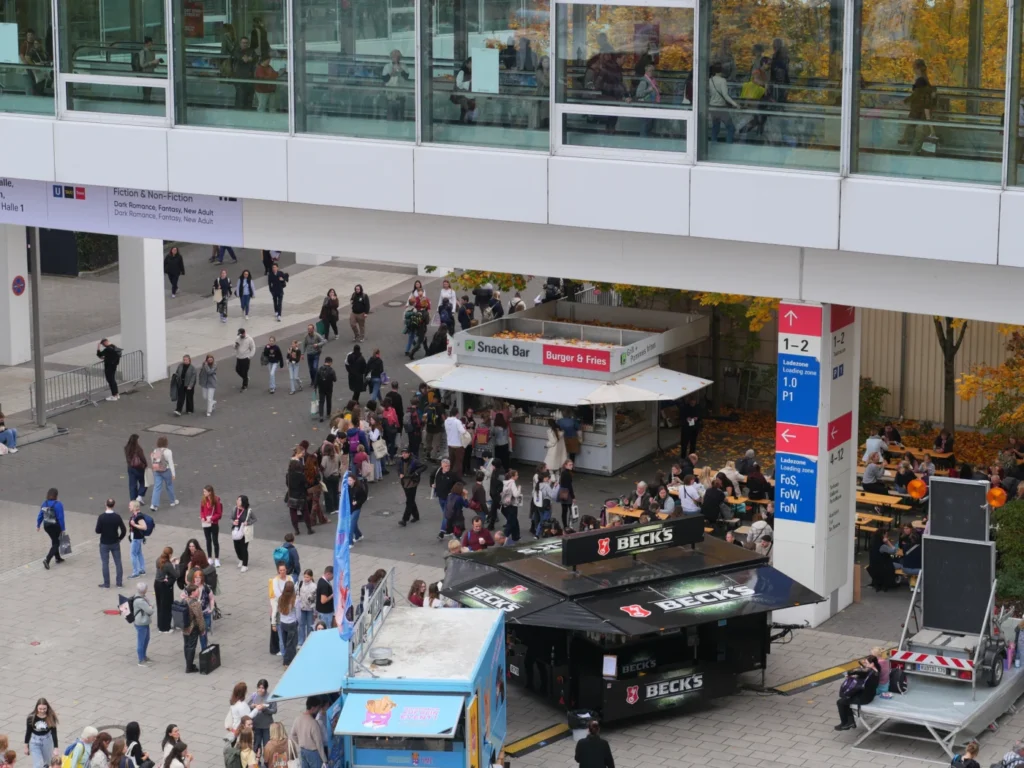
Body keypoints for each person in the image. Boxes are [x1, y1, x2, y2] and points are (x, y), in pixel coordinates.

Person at [835, 655, 879, 731]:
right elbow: (864, 674)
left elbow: (862, 686)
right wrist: (855, 673)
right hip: (867, 694)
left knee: (840, 702)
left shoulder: (872, 676)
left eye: (867, 663)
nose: (865, 665)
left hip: (864, 698)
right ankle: (850, 722)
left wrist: (852, 686)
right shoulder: (874, 671)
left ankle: (845, 723)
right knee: (846, 699)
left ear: (872, 664)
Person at [901, 59, 935, 154]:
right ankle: (912, 151)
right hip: (922, 112)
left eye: (914, 68)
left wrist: (905, 101)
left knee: (918, 136)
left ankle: (910, 149)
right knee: (919, 136)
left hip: (919, 111)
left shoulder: (920, 81)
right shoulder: (925, 80)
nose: (913, 70)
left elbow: (916, 95)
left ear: (918, 69)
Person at [95, 498, 126, 589]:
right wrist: (119, 538)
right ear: (114, 505)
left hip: (104, 542)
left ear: (106, 504)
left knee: (105, 563)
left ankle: (107, 583)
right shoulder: (117, 517)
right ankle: (119, 583)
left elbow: (97, 530)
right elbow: (123, 530)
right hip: (115, 542)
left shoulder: (101, 517)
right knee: (118, 562)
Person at [289, 699, 326, 768]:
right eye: (318, 708)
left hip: (303, 750)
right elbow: (319, 743)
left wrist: (300, 742)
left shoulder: (298, 718)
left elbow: (292, 735)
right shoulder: (313, 723)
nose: (318, 710)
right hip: (313, 752)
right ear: (313, 708)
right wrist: (324, 759)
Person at [24, 699, 58, 768]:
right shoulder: (31, 717)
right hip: (35, 741)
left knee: (47, 763)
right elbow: (28, 732)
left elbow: (54, 733)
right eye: (40, 709)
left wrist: (56, 748)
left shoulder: (51, 717)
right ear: (37, 707)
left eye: (44, 709)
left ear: (47, 707)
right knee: (38, 765)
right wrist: (26, 747)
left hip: (47, 741)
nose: (42, 711)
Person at [37, 488, 66, 569]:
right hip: (55, 526)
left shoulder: (44, 503)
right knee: (56, 543)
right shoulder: (58, 504)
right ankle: (47, 559)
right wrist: (63, 528)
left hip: (47, 526)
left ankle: (58, 558)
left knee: (54, 540)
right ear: (56, 495)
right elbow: (61, 517)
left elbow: (40, 515)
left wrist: (38, 525)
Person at [148, 436, 178, 511]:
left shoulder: (155, 450)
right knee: (169, 485)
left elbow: (153, 460)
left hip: (157, 471)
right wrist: (173, 474)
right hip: (166, 470)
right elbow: (171, 463)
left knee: (157, 487)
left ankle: (154, 504)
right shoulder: (168, 451)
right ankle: (172, 501)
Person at [396, 447, 423, 526]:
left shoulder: (414, 461)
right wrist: (400, 474)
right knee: (411, 500)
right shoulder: (400, 461)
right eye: (402, 453)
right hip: (404, 482)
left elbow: (423, 466)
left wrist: (416, 473)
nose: (403, 455)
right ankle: (416, 516)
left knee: (409, 501)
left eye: (405, 453)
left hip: (412, 482)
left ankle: (404, 519)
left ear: (409, 453)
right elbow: (398, 469)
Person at [181, 584, 206, 673]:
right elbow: (199, 617)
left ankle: (188, 664)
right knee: (191, 647)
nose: (198, 591)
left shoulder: (185, 600)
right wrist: (202, 629)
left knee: (186, 645)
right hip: (192, 628)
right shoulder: (195, 603)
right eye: (196, 590)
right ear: (192, 593)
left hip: (185, 627)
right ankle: (189, 667)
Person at [197, 485, 223, 565]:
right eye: (203, 491)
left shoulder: (216, 501)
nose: (203, 493)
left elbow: (219, 514)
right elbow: (202, 510)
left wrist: (211, 518)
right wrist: (202, 517)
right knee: (208, 540)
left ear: (210, 492)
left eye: (205, 491)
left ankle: (217, 558)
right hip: (206, 523)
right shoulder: (203, 500)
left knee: (215, 541)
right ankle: (209, 557)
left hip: (213, 523)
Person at [382, 49, 410, 120]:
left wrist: (401, 70)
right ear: (391, 57)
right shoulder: (387, 66)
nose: (396, 58)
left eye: (398, 57)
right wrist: (392, 73)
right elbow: (385, 79)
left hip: (401, 94)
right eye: (394, 57)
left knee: (400, 115)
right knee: (391, 114)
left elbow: (406, 77)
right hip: (390, 95)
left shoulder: (403, 66)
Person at [154, 547, 176, 632]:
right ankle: (166, 627)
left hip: (157, 584)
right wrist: (176, 565)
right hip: (164, 585)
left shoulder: (158, 559)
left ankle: (160, 625)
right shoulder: (168, 564)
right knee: (166, 606)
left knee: (159, 605)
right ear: (170, 554)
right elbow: (176, 574)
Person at [132, 582, 154, 665]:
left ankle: (144, 656)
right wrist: (151, 606)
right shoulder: (140, 600)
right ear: (144, 590)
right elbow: (150, 611)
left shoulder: (140, 596)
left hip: (144, 621)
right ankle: (141, 659)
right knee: (141, 641)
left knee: (146, 639)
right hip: (141, 622)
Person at [126, 500, 150, 578]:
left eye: (130, 505)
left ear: (135, 507)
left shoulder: (138, 516)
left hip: (136, 538)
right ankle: (142, 569)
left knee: (133, 554)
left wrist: (134, 525)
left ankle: (135, 572)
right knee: (139, 553)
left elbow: (144, 527)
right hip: (137, 537)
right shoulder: (135, 515)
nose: (129, 507)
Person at [445, 408, 469, 479]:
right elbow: (463, 431)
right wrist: (464, 427)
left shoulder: (446, 421)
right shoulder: (457, 421)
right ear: (457, 413)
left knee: (451, 461)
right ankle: (458, 479)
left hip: (450, 443)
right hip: (458, 445)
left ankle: (448, 476)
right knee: (459, 463)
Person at [500, 469, 523, 541]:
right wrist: (519, 488)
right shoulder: (512, 483)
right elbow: (516, 494)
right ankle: (503, 537)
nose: (518, 476)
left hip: (505, 505)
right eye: (516, 475)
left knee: (514, 521)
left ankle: (516, 536)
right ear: (512, 476)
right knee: (512, 522)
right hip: (512, 505)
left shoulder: (505, 483)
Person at [314, 357, 337, 423]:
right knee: (328, 400)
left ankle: (321, 416)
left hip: (321, 388)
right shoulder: (331, 370)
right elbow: (335, 379)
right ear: (330, 362)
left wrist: (315, 386)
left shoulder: (319, 369)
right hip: (329, 388)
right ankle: (328, 413)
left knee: (321, 402)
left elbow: (316, 379)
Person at [232, 328, 255, 393]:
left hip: (246, 358)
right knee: (237, 369)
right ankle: (246, 378)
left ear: (244, 333)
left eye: (241, 334)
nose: (240, 336)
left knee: (245, 371)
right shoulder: (237, 338)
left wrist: (250, 356)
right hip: (239, 357)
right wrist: (235, 346)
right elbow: (234, 346)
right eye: (239, 334)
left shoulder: (249, 339)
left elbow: (253, 348)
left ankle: (244, 385)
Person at [348, 472, 368, 545]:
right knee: (354, 524)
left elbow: (364, 497)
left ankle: (350, 542)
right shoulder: (348, 487)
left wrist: (357, 502)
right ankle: (358, 535)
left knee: (351, 524)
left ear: (354, 480)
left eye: (350, 480)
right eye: (348, 480)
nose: (349, 482)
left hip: (357, 508)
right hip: (350, 508)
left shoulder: (358, 489)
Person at [558, 460, 575, 529]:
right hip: (567, 493)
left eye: (572, 464)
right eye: (570, 465)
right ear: (565, 465)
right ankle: (568, 525)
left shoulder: (563, 472)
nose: (571, 466)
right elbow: (569, 486)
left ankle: (565, 525)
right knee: (571, 510)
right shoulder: (567, 473)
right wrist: (573, 496)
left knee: (564, 510)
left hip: (562, 492)